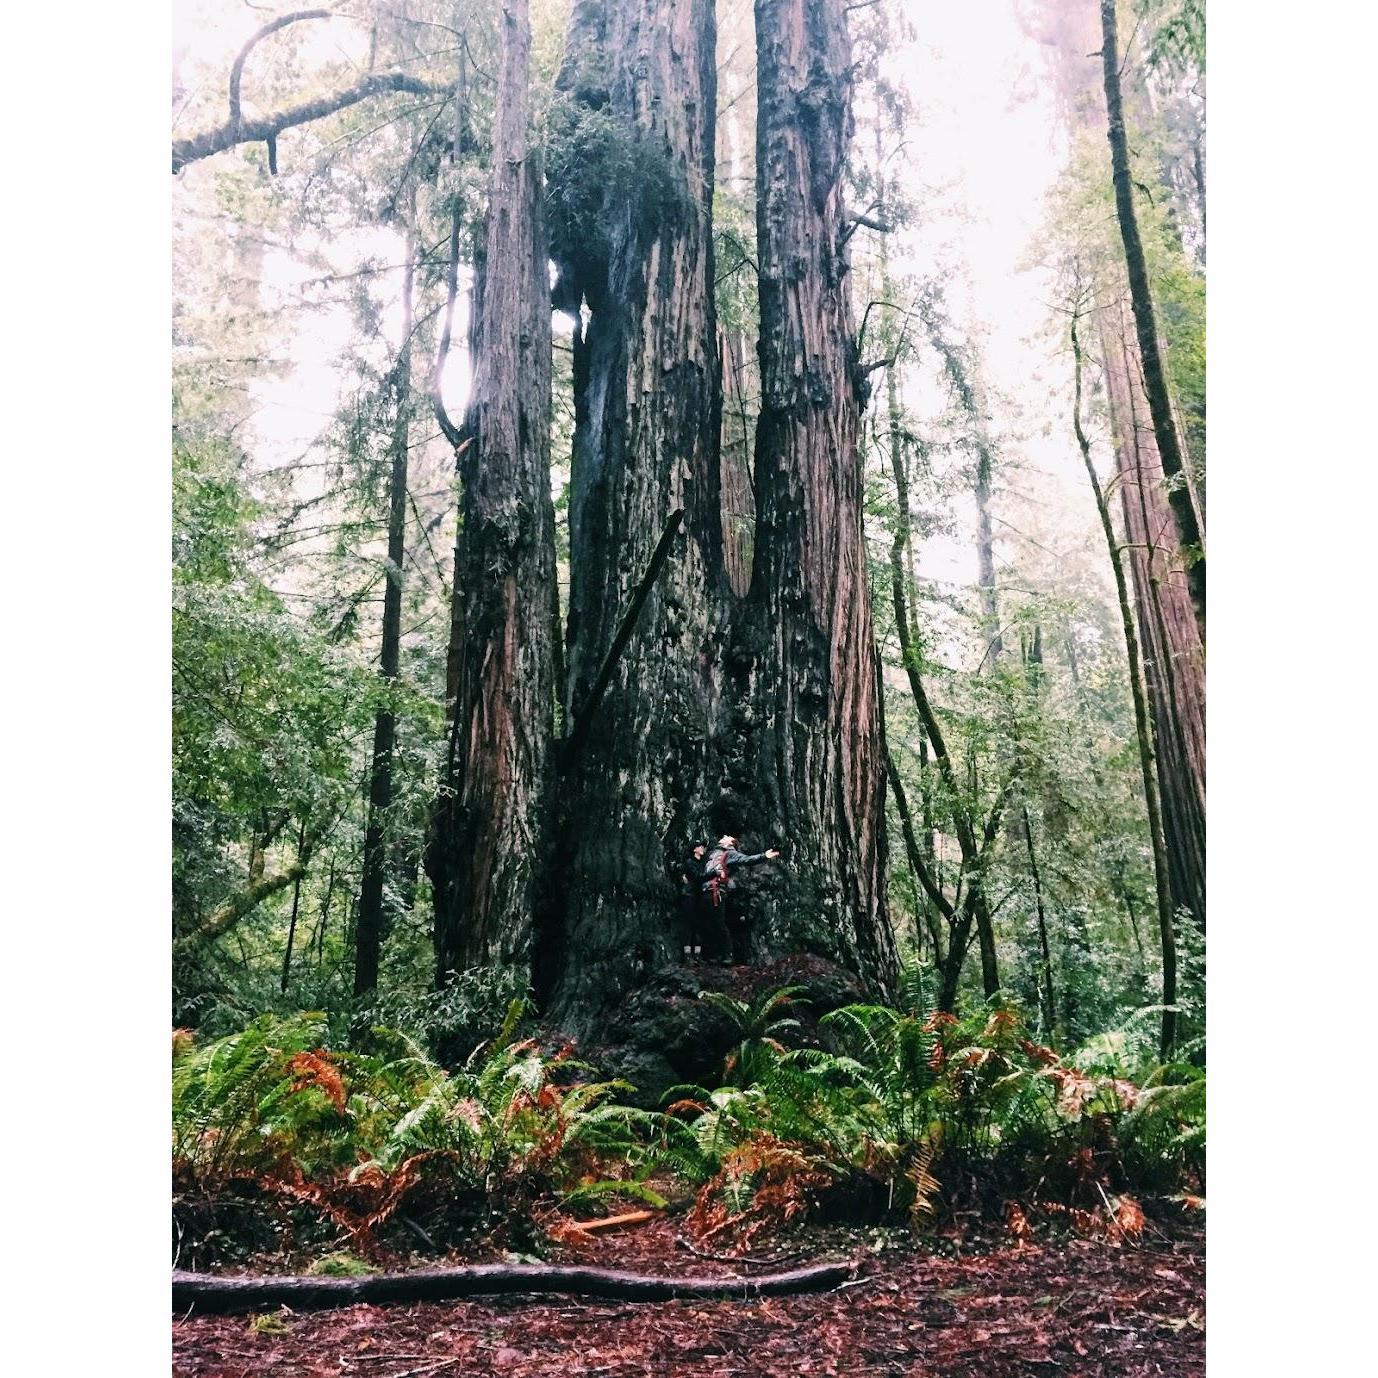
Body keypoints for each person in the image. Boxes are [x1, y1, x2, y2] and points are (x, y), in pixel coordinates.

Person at [700, 835, 783, 966]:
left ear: (730, 843)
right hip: (703, 891)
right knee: (706, 924)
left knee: (718, 924)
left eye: (728, 837)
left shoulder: (730, 854)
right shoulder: (712, 853)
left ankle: (727, 955)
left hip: (716, 891)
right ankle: (711, 955)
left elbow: (747, 859)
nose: (725, 836)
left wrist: (764, 856)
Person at [677, 843, 709, 963]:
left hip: (699, 896)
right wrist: (713, 874)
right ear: (694, 849)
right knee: (688, 926)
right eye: (700, 847)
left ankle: (697, 955)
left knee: (698, 926)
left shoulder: (703, 863)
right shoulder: (690, 862)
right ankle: (687, 955)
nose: (703, 849)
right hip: (689, 896)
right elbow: (697, 876)